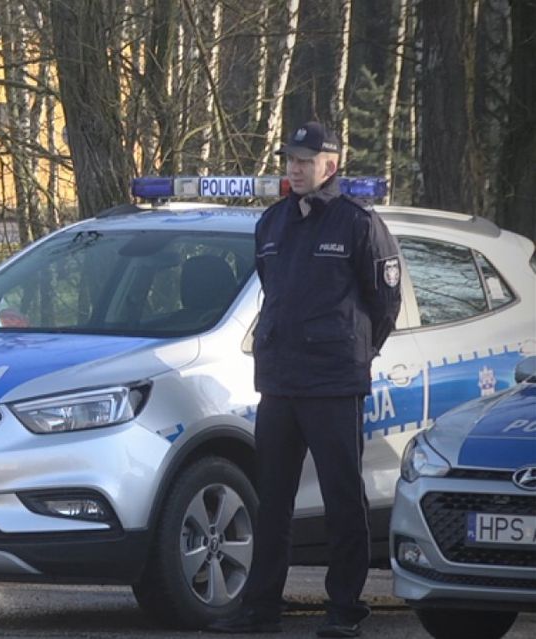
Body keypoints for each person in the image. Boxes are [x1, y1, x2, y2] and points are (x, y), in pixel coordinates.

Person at [209, 122, 401, 637]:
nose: (293, 168)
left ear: (330, 166)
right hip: (280, 382)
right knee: (272, 500)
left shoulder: (357, 223)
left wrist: (354, 352)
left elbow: (384, 305)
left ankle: (344, 609)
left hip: (334, 385)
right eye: (289, 160)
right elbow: (275, 292)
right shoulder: (272, 223)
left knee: (342, 500)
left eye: (304, 160)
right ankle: (261, 606)